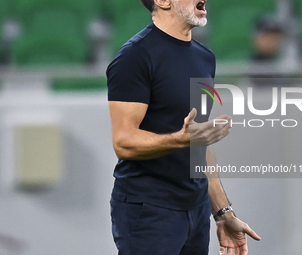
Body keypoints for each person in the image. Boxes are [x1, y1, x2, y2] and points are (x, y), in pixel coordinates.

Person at [106, 0, 261, 254]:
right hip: (149, 211)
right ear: (163, 1)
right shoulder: (134, 56)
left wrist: (223, 213)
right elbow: (123, 142)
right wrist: (180, 139)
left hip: (197, 211)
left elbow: (197, 142)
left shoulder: (205, 58)